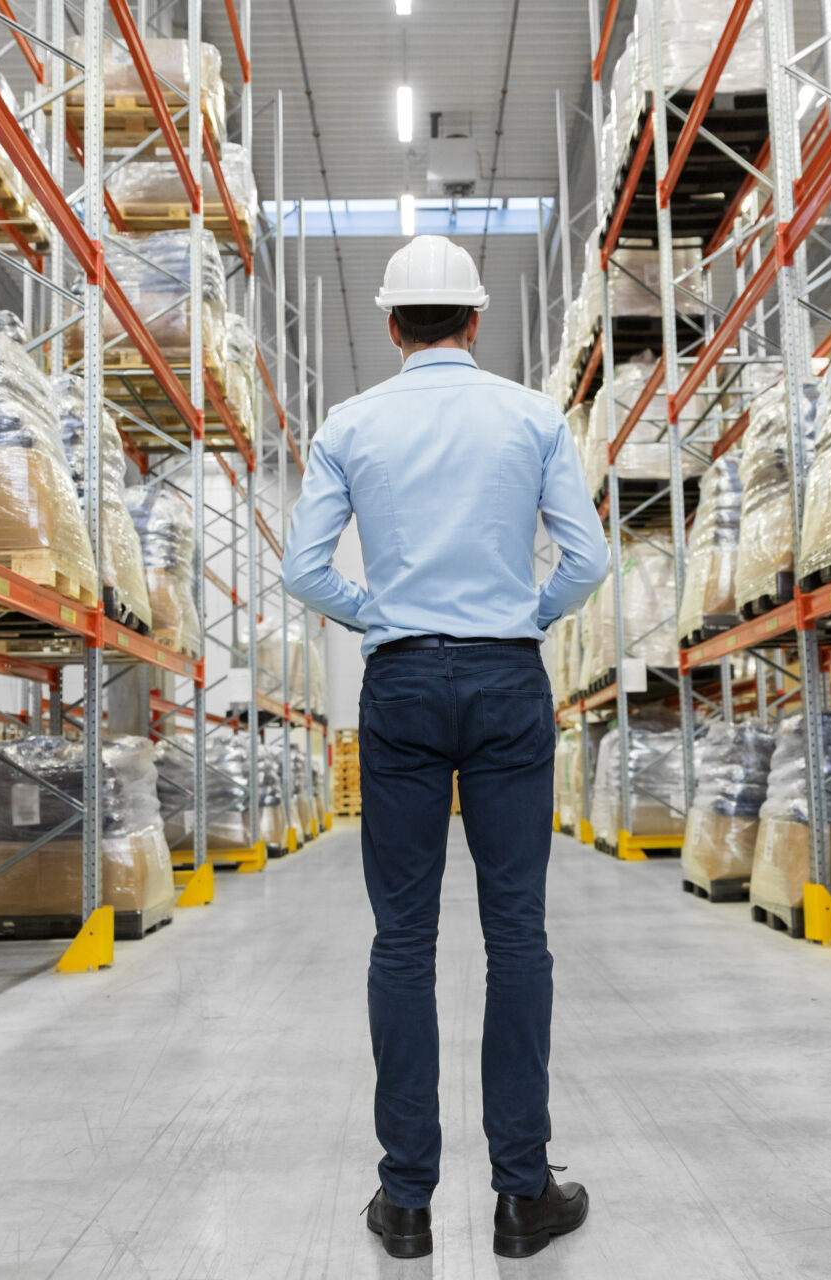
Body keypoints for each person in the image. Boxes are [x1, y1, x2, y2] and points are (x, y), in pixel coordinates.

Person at [281, 235, 608, 1259]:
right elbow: (587, 556)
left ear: (391, 327)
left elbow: (303, 567)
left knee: (403, 940)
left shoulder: (351, 422)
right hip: (509, 678)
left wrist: (375, 612)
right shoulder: (532, 413)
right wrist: (526, 611)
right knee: (518, 935)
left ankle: (407, 1198)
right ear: (475, 322)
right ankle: (522, 1194)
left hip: (404, 681)